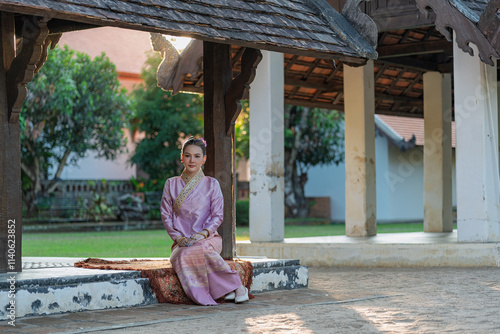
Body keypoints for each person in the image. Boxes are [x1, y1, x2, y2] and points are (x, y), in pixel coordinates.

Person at [160, 137, 249, 305]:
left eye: (197, 156)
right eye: (187, 155)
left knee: (201, 248)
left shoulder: (211, 184)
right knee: (185, 252)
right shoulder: (171, 184)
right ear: (181, 157)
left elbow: (217, 215)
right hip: (182, 242)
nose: (192, 160)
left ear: (204, 159)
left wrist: (203, 234)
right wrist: (178, 238)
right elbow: (166, 216)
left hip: (209, 238)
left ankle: (237, 287)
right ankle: (230, 288)